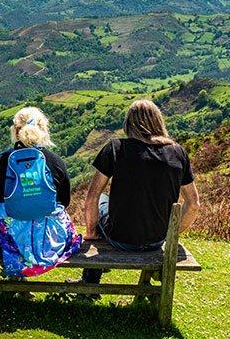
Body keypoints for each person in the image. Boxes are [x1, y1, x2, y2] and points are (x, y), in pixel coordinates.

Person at [80, 99, 201, 285]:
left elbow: (92, 197)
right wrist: (170, 234)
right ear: (159, 121)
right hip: (156, 240)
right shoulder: (178, 153)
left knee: (103, 200)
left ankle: (90, 281)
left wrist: (90, 233)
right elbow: (193, 205)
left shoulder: (116, 148)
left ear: (129, 123)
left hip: (121, 239)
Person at [0, 107, 81, 279]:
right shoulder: (56, 162)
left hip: (9, 235)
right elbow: (64, 201)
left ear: (15, 131)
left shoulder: (1, 161)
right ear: (43, 130)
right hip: (49, 239)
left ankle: (14, 272)